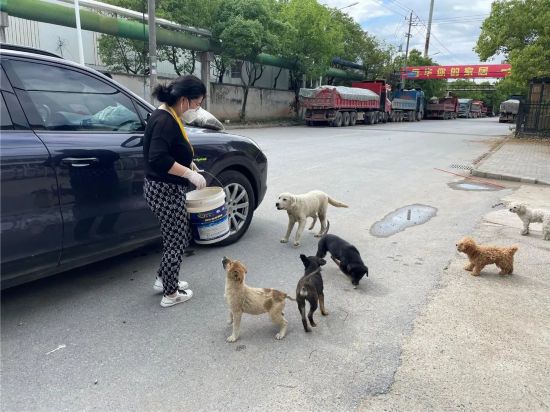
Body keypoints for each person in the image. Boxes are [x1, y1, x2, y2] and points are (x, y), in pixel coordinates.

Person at [143, 75, 207, 307]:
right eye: (196, 104)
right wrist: (189, 174)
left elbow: (170, 150)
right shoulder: (165, 121)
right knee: (177, 240)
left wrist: (188, 164)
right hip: (165, 190)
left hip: (162, 188)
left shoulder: (167, 114)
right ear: (183, 100)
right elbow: (158, 158)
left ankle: (164, 279)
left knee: (175, 236)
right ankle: (171, 294)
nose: (197, 109)